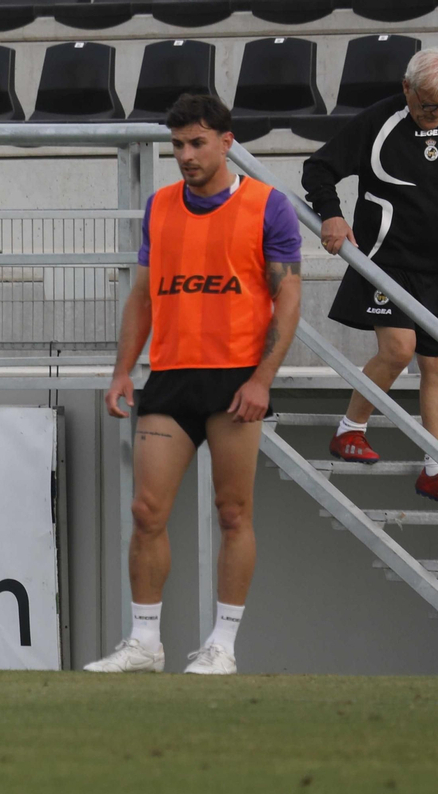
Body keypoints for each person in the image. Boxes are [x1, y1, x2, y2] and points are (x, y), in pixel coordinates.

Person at [89, 94, 303, 675]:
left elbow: (289, 296)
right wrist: (121, 371)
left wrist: (263, 379)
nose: (185, 155)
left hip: (236, 381)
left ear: (226, 141)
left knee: (233, 513)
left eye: (197, 142)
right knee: (145, 510)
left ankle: (223, 646)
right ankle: (144, 643)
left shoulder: (268, 206)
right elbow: (141, 295)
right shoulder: (159, 207)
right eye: (177, 144)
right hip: (171, 377)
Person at [305, 49, 438, 514]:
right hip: (387, 262)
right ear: (407, 89)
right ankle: (350, 431)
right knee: (399, 350)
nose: (435, 116)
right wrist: (332, 216)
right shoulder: (378, 123)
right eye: (427, 106)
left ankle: (437, 470)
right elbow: (318, 169)